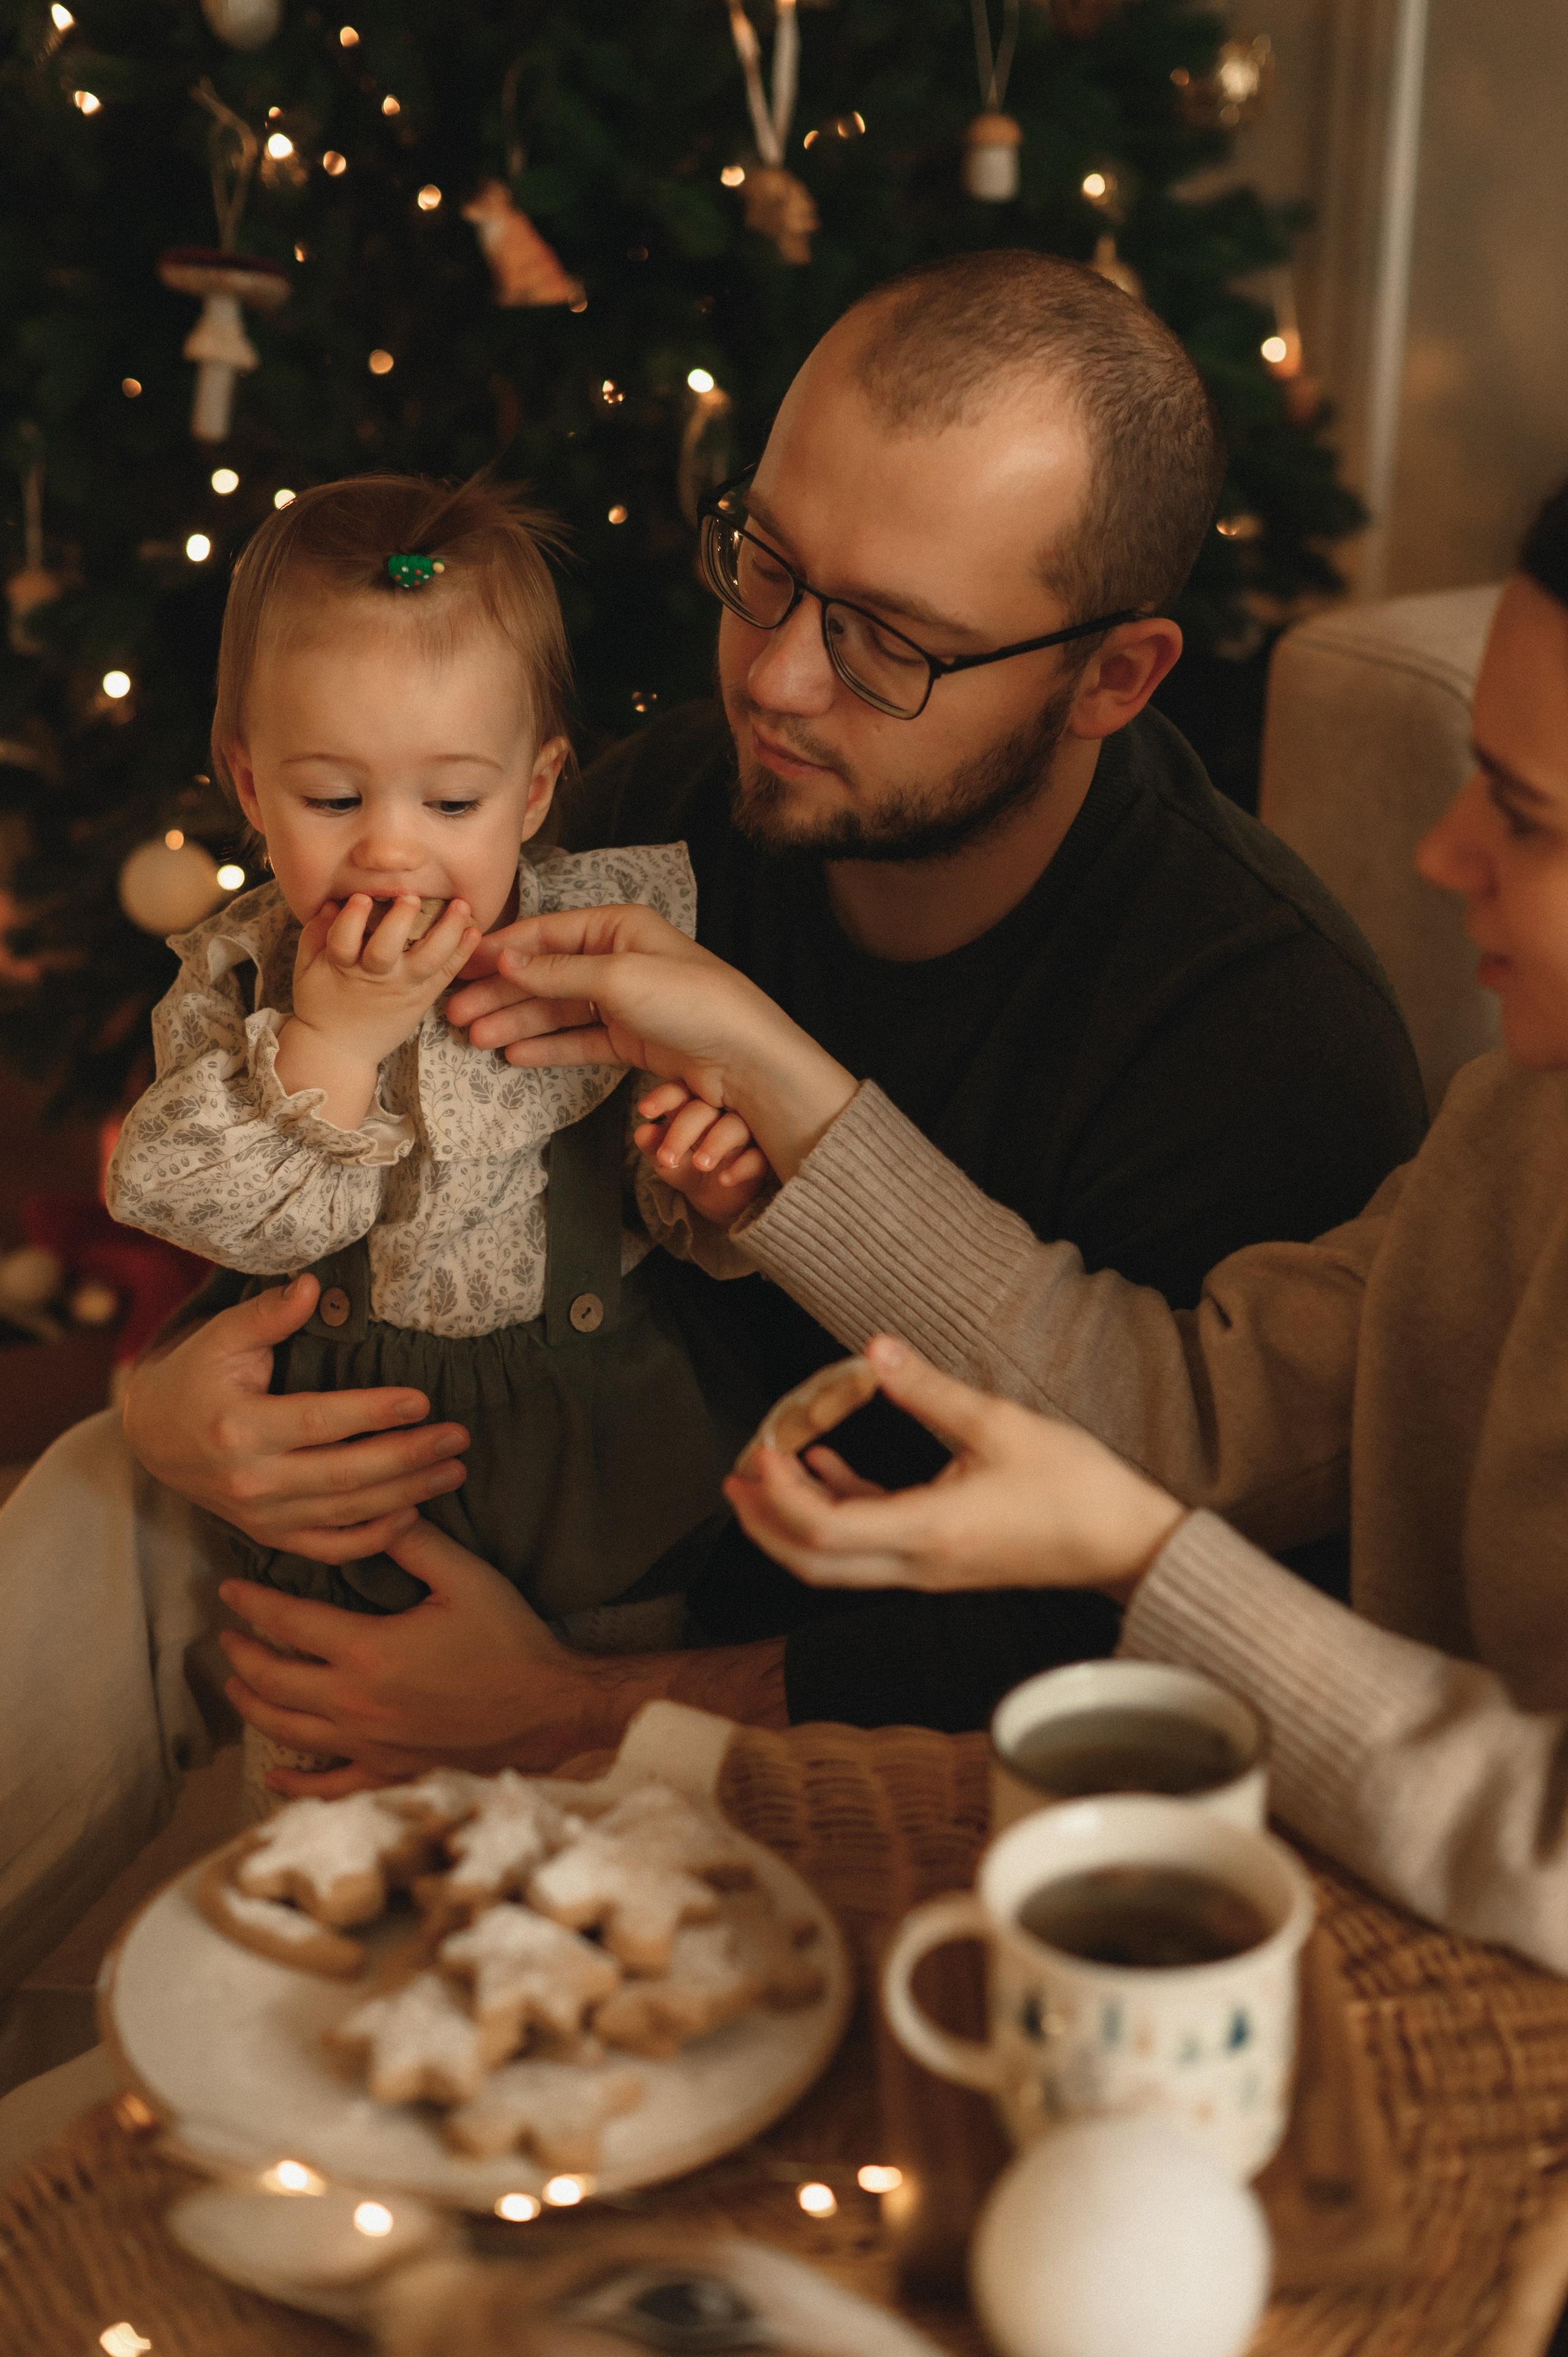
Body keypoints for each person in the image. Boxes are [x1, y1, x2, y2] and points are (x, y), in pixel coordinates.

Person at [121, 249, 1423, 1795]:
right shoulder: (681, 800)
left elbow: (1192, 1625)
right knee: (88, 1512)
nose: (776, 676)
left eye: (890, 640)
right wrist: (169, 1403)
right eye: (765, 560)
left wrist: (581, 1704)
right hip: (525, 1509)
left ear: (1110, 678)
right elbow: (380, 1170)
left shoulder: (1261, 1036)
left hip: (823, 1716)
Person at [710, 480, 1568, 1975]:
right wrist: (778, 1085)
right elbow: (1209, 1406)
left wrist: (1134, 1554)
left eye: (1526, 814)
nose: (1441, 856)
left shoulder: (1255, 999)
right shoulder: (1522, 1120)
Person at [105, 472, 769, 1759]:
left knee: (611, 1812)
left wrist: (712, 1186)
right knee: (330, 1805)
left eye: (452, 803)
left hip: (603, 1490)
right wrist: (334, 1041)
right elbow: (197, 1206)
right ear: (251, 785)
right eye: (333, 799)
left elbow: (669, 1188)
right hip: (341, 1514)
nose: (392, 850)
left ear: (536, 790)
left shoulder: (598, 951)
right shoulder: (243, 981)